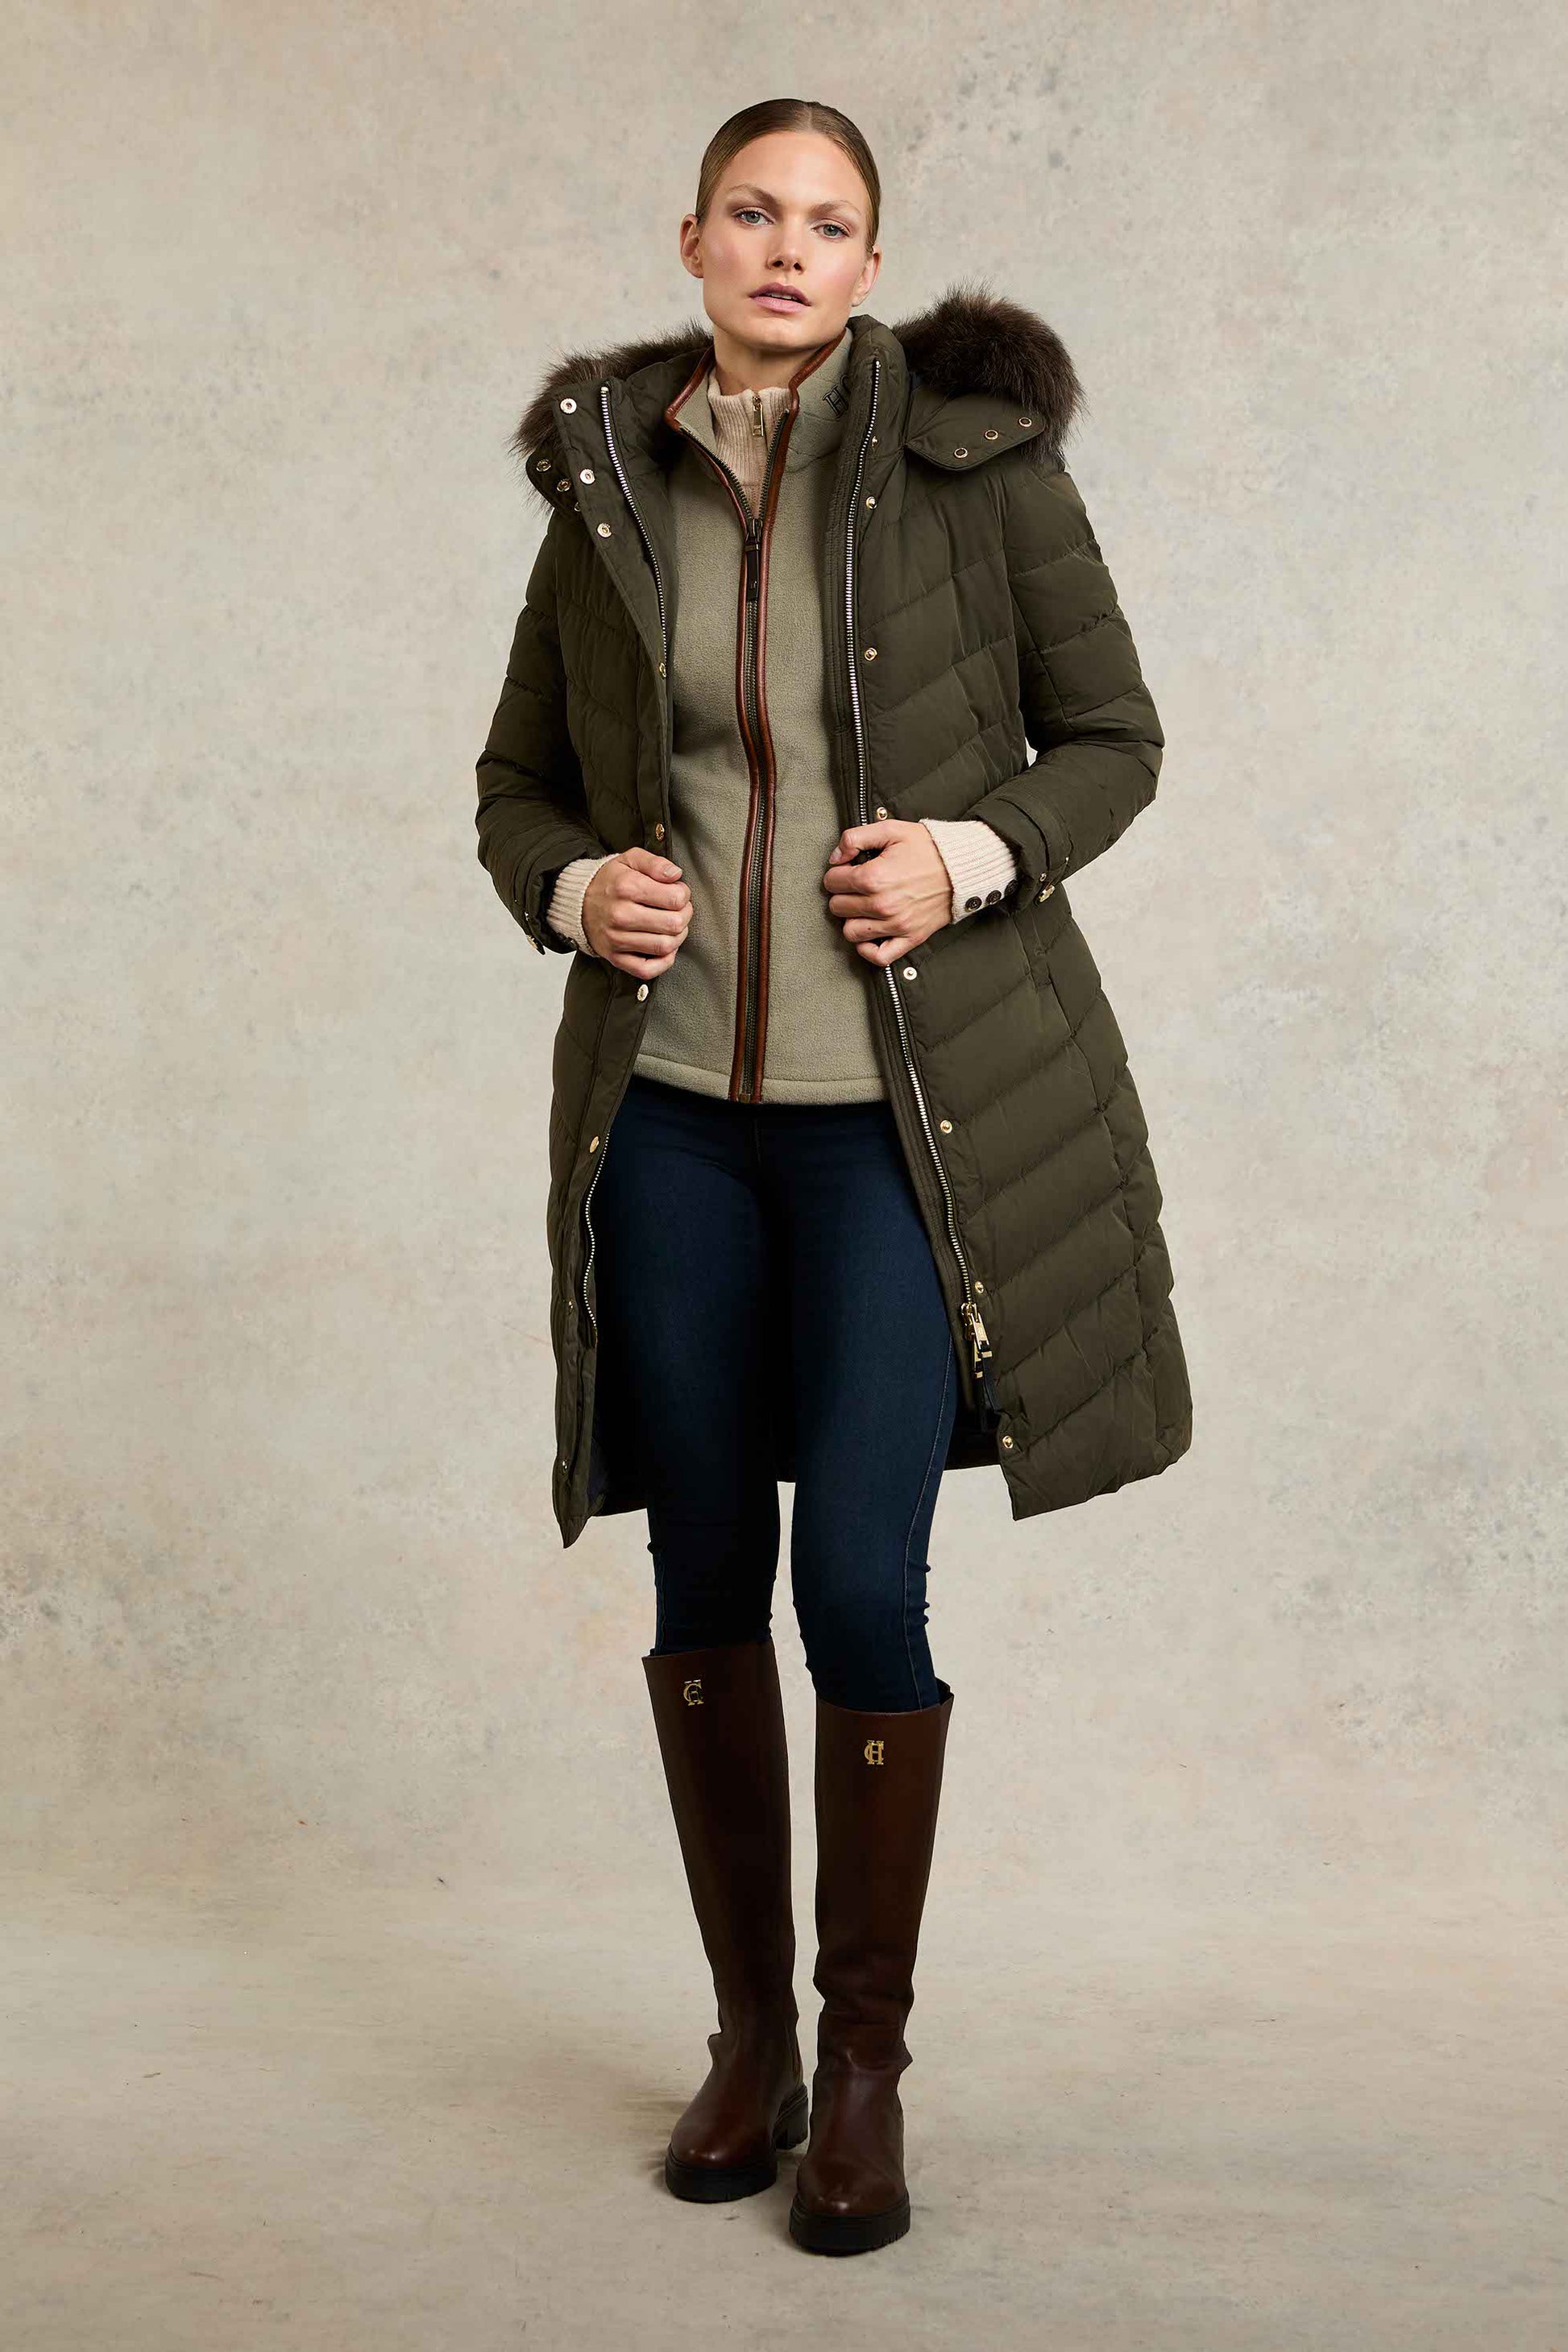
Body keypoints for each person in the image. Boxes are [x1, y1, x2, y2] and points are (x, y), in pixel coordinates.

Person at [474, 97, 1193, 2257]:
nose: (788, 248)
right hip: (671, 1119)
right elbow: (517, 783)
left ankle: (860, 2062)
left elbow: (1116, 740)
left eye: (830, 222)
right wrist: (576, 884)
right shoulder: (607, 484)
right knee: (703, 1574)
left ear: (872, 266)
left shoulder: (981, 466)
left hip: (902, 1120)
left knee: (858, 1585)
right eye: (754, 213)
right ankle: (747, 2049)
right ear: (692, 237)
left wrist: (971, 854)